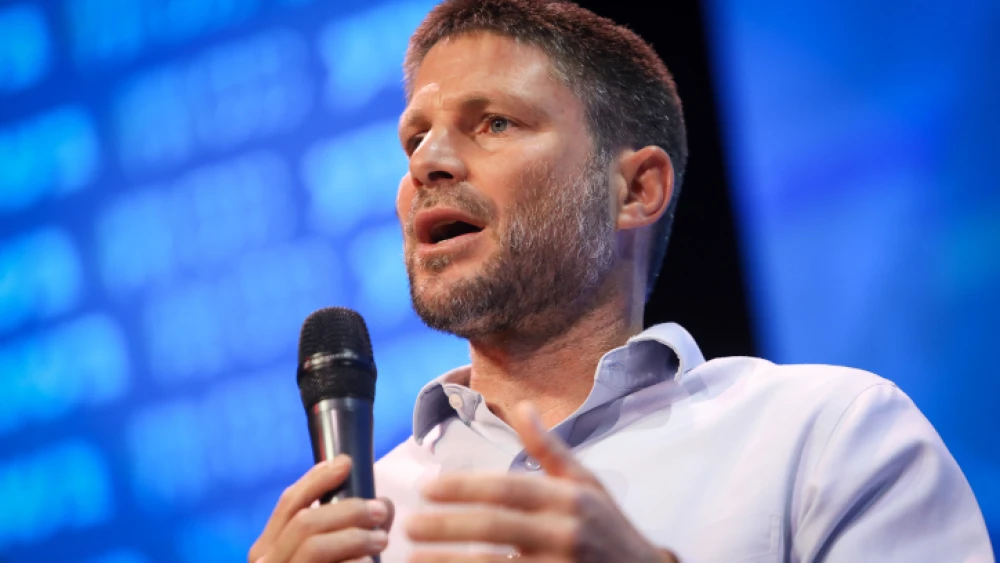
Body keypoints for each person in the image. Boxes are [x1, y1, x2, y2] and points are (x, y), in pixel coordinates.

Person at [248, 0, 994, 561]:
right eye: (416, 136)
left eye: (494, 122)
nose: (426, 162)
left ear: (636, 189)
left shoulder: (827, 437)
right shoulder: (359, 521)